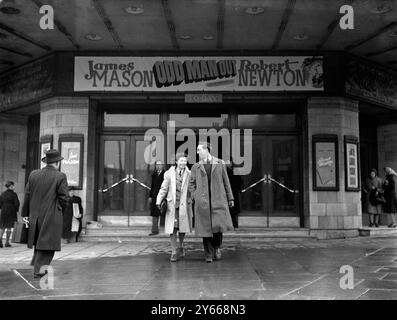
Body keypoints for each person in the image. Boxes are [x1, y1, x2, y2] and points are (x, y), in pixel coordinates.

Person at [21, 149, 69, 278]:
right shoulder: (60, 176)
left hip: (35, 214)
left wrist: (24, 214)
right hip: (51, 214)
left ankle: (36, 264)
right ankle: (39, 270)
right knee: (48, 244)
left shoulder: (33, 174)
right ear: (57, 162)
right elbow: (64, 198)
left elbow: (27, 195)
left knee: (40, 241)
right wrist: (60, 210)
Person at [189, 142, 234, 263]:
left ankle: (217, 247)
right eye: (197, 150)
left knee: (218, 228)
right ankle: (208, 254)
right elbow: (191, 184)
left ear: (206, 150)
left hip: (218, 200)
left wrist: (230, 198)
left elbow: (226, 182)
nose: (197, 152)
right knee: (205, 229)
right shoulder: (196, 166)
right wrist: (195, 196)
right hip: (203, 202)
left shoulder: (219, 163)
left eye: (199, 150)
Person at [156, 153, 192, 262]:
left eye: (185, 161)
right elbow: (163, 188)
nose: (183, 163)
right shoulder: (168, 173)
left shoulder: (190, 173)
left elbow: (192, 188)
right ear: (176, 162)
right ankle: (174, 251)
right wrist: (159, 201)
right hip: (172, 205)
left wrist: (192, 198)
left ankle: (180, 245)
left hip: (184, 205)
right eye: (181, 161)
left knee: (182, 228)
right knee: (173, 229)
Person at [0, 181, 20, 248]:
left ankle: (0, 240)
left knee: (2, 226)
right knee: (9, 227)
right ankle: (7, 242)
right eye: (13, 185)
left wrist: (2, 208)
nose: (14, 187)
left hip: (3, 211)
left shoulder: (2, 193)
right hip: (11, 211)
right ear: (10, 186)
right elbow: (17, 203)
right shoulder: (14, 194)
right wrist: (16, 210)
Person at [148, 160, 165, 236]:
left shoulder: (165, 174)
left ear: (162, 165)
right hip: (155, 196)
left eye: (160, 165)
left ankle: (170, 230)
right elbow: (152, 186)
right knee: (154, 213)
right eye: (157, 165)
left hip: (163, 196)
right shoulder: (154, 174)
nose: (158, 166)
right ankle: (154, 230)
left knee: (164, 212)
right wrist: (150, 196)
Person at [227, 159, 242, 229]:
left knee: (234, 212)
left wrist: (237, 189)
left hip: (234, 192)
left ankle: (235, 225)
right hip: (226, 193)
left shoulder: (235, 171)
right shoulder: (224, 171)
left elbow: (240, 182)